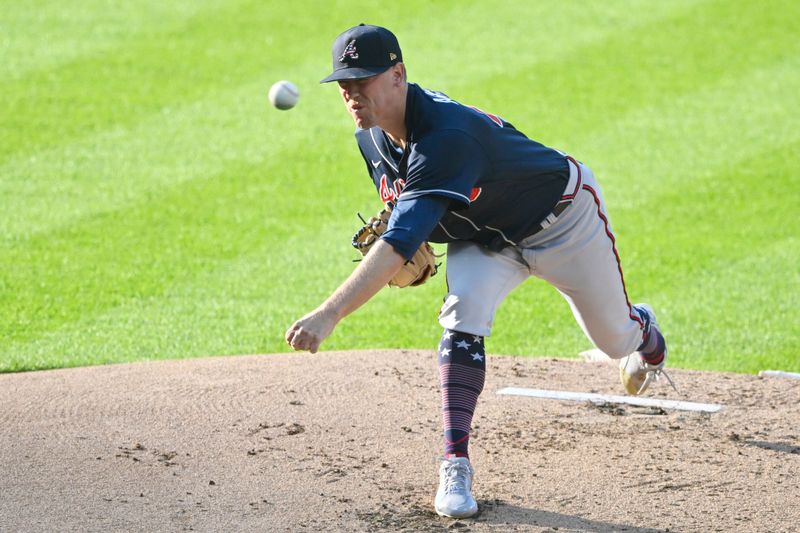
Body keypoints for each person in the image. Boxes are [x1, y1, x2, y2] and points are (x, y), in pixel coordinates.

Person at [285, 24, 669, 519]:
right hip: (483, 238)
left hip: (562, 221)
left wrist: (329, 314)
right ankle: (455, 463)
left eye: (365, 80)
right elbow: (410, 216)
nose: (353, 94)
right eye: (345, 85)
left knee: (615, 339)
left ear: (398, 76)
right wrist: (410, 236)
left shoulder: (446, 137)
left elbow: (400, 238)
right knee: (461, 314)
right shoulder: (370, 140)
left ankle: (647, 334)